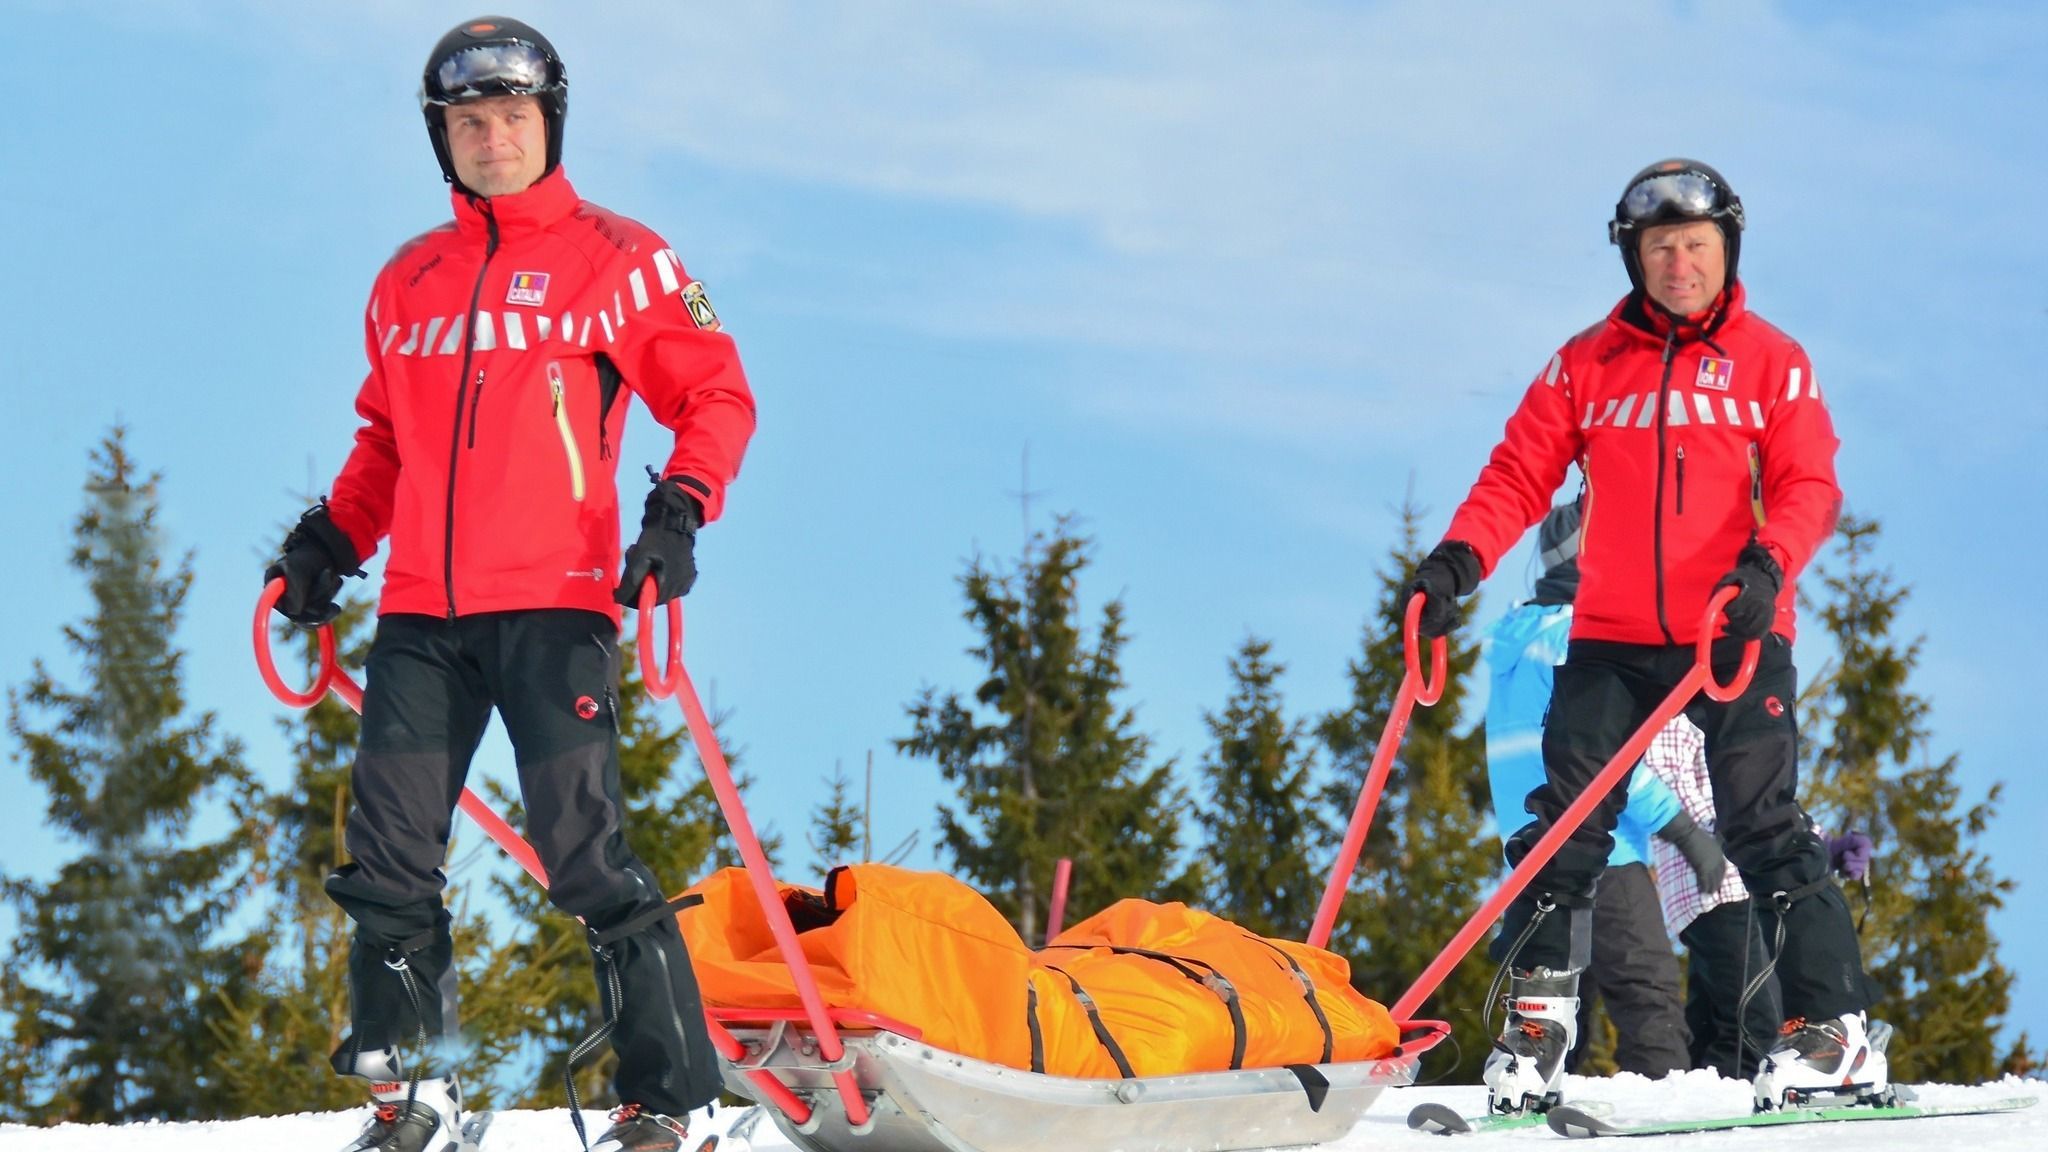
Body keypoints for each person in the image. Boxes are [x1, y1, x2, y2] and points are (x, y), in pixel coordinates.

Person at [264, 17, 755, 1152]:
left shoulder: (623, 259)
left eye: (513, 118)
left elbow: (716, 394)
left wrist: (679, 506)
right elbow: (383, 439)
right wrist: (332, 539)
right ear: (443, 139)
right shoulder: (407, 279)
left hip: (556, 602)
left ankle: (668, 1102)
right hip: (423, 617)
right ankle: (413, 1091)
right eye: (470, 122)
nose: (493, 139)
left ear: (550, 124)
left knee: (582, 851)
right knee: (388, 856)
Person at [1405, 158, 1885, 1115]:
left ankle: (1834, 1033)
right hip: (1613, 637)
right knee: (1564, 832)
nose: (1680, 264)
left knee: (1763, 825)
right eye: (1660, 247)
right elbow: (1518, 472)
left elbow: (1809, 485)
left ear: (1726, 252)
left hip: (1733, 630)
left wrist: (1768, 567)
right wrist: (1461, 557)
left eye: (1697, 246)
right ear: (1632, 255)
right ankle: (1539, 1024)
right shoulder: (1587, 362)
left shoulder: (1771, 361)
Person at [1483, 500, 1730, 1088]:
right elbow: (1602, 762)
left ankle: (1532, 1101)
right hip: (1603, 847)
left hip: (1534, 852)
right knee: (1648, 995)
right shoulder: (1577, 637)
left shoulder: (1513, 648)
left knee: (1560, 1007)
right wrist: (1684, 831)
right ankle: (1662, 1108)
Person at [1643, 718, 1876, 1079]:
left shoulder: (1729, 712)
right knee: (1756, 1024)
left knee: (1720, 1022)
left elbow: (1764, 803)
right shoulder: (1681, 710)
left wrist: (1822, 847)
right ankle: (1740, 1102)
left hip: (1738, 884)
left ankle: (1702, 1098)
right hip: (1717, 883)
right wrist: (1782, 842)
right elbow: (1676, 793)